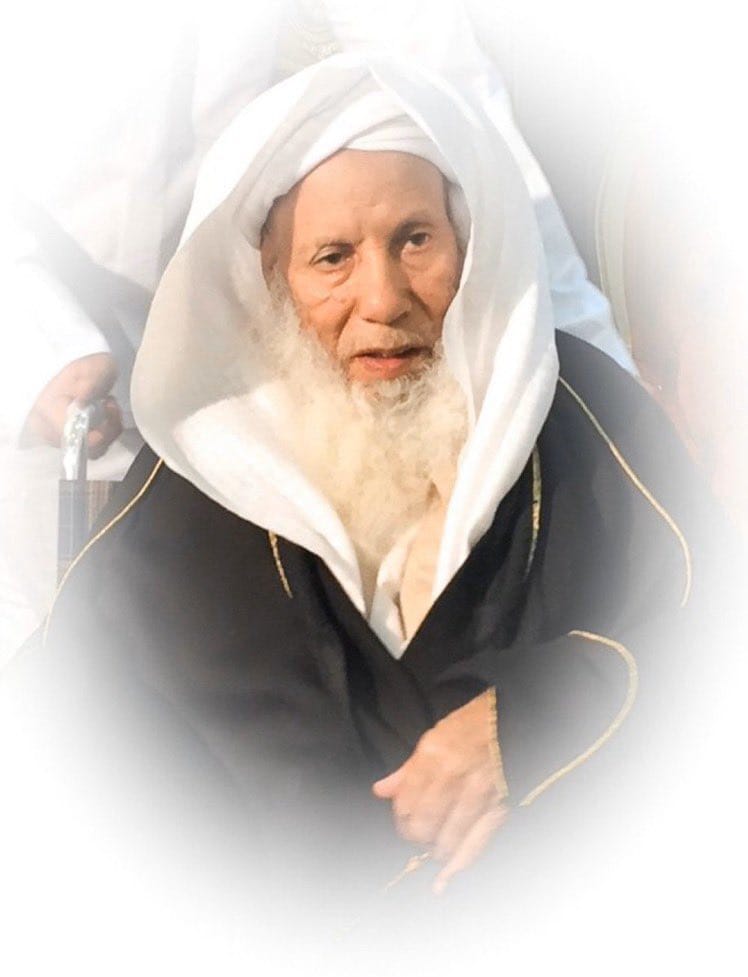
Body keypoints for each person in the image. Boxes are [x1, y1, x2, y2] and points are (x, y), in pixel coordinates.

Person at [0, 54, 712, 964]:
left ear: (470, 243)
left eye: (415, 240)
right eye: (332, 257)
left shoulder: (583, 422)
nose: (383, 299)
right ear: (270, 281)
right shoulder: (188, 493)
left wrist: (540, 719)